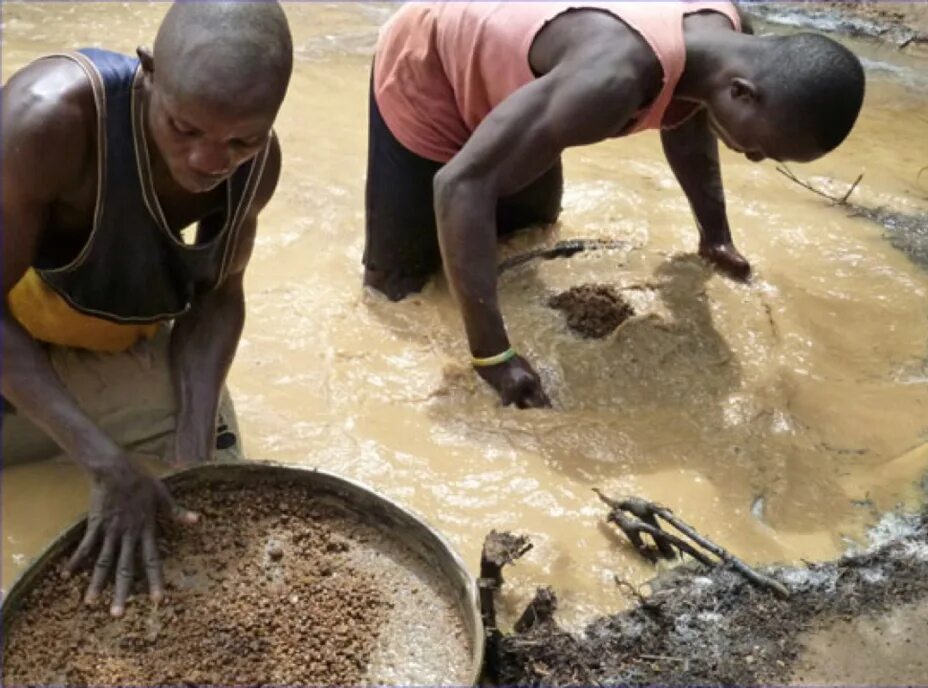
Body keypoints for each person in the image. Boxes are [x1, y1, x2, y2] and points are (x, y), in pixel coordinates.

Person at [364, 2, 865, 408]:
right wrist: (494, 358)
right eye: (762, 149)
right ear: (742, 92)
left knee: (525, 236)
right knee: (399, 288)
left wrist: (715, 237)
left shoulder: (729, 36)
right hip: (431, 61)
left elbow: (687, 126)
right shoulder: (611, 81)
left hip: (525, 74)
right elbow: (459, 185)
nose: (754, 158)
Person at [1, 1, 292, 615]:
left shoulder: (256, 166)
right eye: (185, 130)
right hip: (14, 339)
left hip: (104, 340)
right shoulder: (46, 122)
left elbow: (218, 298)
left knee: (212, 504)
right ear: (148, 73)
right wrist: (101, 460)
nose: (210, 163)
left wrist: (192, 453)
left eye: (243, 139)